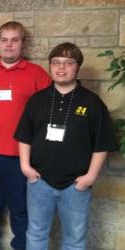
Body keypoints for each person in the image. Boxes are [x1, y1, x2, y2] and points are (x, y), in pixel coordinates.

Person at [14, 42, 118, 250]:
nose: (61, 68)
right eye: (56, 63)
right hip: (39, 181)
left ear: (77, 67)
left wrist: (90, 177)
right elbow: (24, 136)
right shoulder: (37, 100)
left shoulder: (92, 103)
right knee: (35, 233)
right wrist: (26, 167)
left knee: (75, 239)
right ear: (50, 66)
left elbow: (101, 144)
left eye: (68, 63)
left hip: (76, 185)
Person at [0, 21, 51, 250]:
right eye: (4, 40)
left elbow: (49, 112)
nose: (9, 45)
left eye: (14, 40)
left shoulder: (37, 75)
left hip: (21, 157)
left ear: (23, 44)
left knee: (21, 209)